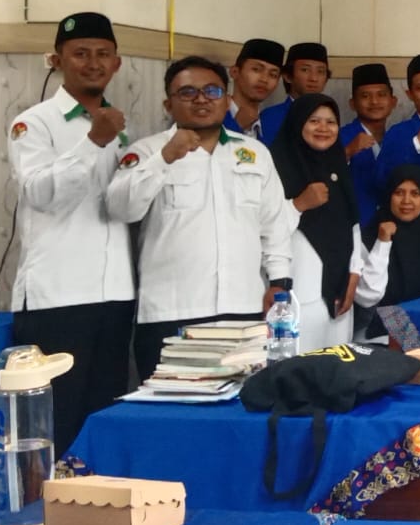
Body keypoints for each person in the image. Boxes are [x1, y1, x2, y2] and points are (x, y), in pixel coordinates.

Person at [106, 56, 293, 377]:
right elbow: (121, 208)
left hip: (243, 309)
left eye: (212, 91)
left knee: (244, 399)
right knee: (173, 403)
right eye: (188, 92)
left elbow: (274, 225)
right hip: (172, 312)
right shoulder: (147, 151)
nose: (202, 99)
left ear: (226, 99)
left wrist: (279, 282)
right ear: (169, 104)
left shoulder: (254, 154)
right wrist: (166, 157)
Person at [7, 12, 133, 453]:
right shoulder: (33, 123)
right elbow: (40, 194)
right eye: (80, 54)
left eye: (103, 54)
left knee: (103, 422)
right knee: (53, 425)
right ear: (57, 60)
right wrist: (93, 142)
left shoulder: (121, 127)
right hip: (57, 298)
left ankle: (94, 498)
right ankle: (43, 498)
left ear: (117, 63)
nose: (93, 63)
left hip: (115, 294)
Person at [271, 95, 361, 352]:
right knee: (296, 364)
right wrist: (299, 204)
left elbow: (353, 225)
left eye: (331, 122)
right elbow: (263, 228)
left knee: (336, 366)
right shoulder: (276, 168)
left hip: (339, 293)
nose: (323, 128)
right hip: (295, 292)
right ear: (298, 123)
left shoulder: (337, 165)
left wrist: (354, 275)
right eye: (314, 121)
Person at [356, 166, 420, 339]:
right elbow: (367, 296)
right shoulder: (370, 237)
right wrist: (382, 242)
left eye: (415, 194)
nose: (406, 201)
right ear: (389, 196)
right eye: (399, 193)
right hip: (382, 332)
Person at [341, 63, 398, 228]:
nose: (374, 101)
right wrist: (348, 152)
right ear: (353, 103)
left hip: (391, 227)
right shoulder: (340, 136)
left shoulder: (397, 138)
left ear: (393, 101)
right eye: (365, 96)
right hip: (352, 226)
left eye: (381, 95)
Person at [258, 42, 330, 146]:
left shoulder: (329, 118)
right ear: (288, 76)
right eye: (305, 70)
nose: (314, 78)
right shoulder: (270, 117)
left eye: (320, 71)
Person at [224, 38, 284, 139]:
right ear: (235, 72)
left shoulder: (274, 125)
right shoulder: (212, 115)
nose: (264, 79)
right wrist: (236, 125)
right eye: (256, 70)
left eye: (273, 75)